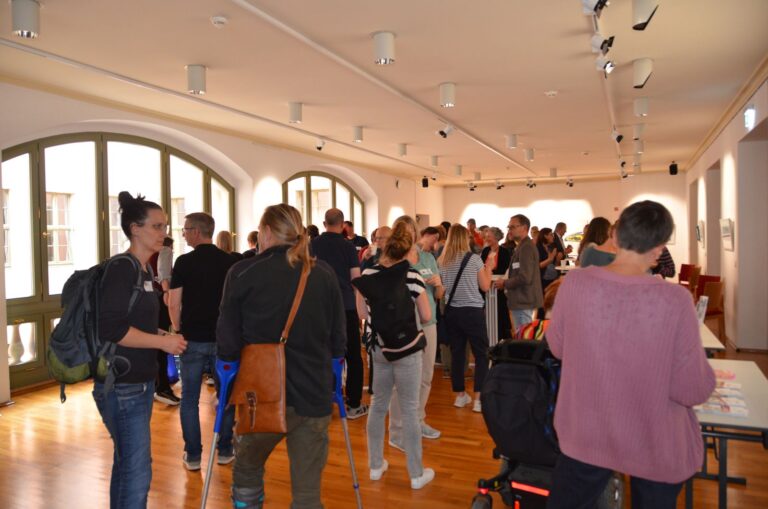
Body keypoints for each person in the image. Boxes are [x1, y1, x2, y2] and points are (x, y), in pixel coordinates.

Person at [546, 200, 716, 509]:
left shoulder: (575, 284)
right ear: (659, 248)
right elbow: (691, 388)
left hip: (587, 432)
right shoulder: (675, 299)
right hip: (654, 438)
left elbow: (557, 347)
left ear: (615, 236)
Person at [218, 203, 346, 508]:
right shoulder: (322, 273)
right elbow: (339, 339)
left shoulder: (242, 272)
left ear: (265, 232)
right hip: (313, 393)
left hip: (260, 397)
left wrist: (226, 387)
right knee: (307, 491)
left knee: (248, 468)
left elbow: (227, 342)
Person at [95, 191, 187, 509]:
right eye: (157, 226)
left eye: (165, 226)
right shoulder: (122, 269)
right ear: (135, 229)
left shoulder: (144, 269)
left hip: (140, 382)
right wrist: (163, 342)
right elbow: (112, 329)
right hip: (122, 385)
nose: (164, 233)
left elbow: (135, 323)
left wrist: (164, 335)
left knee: (127, 465)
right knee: (136, 470)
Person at [356, 220, 435, 489]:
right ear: (406, 251)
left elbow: (362, 314)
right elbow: (427, 315)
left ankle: (375, 466)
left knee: (378, 404)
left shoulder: (367, 275)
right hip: (408, 349)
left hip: (379, 347)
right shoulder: (412, 276)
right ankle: (416, 474)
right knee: (410, 409)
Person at [169, 212, 237, 470]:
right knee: (225, 395)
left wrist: (178, 330)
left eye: (186, 229)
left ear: (197, 232)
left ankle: (194, 455)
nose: (184, 233)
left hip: (192, 339)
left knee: (189, 399)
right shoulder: (230, 261)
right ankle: (225, 449)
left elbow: (174, 303)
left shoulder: (184, 262)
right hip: (223, 339)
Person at [388, 216, 445, 446]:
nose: (409, 235)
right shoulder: (393, 261)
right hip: (405, 325)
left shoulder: (428, 257)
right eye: (403, 231)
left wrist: (438, 284)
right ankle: (397, 429)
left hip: (429, 323)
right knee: (402, 380)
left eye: (411, 231)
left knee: (425, 377)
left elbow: (439, 295)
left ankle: (418, 420)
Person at [311, 209, 368, 419]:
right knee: (353, 356)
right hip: (346, 306)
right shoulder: (348, 246)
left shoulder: (312, 245)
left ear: (324, 223)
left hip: (319, 307)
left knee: (322, 354)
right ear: (343, 224)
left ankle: (323, 401)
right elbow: (355, 279)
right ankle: (353, 405)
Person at [439, 224, 492, 413]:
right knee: (481, 354)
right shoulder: (474, 259)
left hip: (452, 312)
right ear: (465, 238)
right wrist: (489, 268)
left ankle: (460, 395)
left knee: (457, 354)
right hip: (472, 312)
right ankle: (478, 399)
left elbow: (442, 288)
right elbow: (485, 286)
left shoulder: (442, 260)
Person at [495, 214, 543, 331]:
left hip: (523, 301)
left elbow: (525, 277)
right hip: (522, 301)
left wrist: (505, 283)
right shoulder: (522, 246)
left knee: (524, 338)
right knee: (522, 335)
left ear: (524, 227)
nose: (509, 230)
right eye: (509, 227)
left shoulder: (526, 247)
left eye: (512, 227)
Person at [150, 235, 180, 406]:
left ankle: (156, 385)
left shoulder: (145, 254)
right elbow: (163, 275)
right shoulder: (165, 251)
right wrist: (167, 293)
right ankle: (162, 388)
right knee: (162, 343)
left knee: (154, 344)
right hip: (161, 300)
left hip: (149, 301)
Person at [481, 226, 512, 340]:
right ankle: (488, 335)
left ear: (496, 237)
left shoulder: (504, 252)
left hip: (498, 287)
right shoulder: (485, 251)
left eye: (489, 236)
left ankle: (501, 338)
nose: (486, 238)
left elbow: (506, 269)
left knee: (500, 313)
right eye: (486, 236)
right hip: (486, 286)